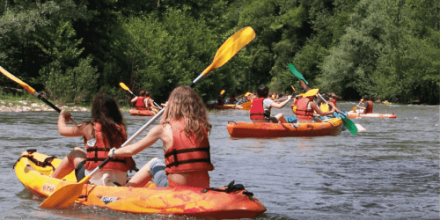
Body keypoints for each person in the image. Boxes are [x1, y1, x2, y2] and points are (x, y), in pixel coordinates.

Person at [108, 86, 214, 188]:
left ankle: (126, 190)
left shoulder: (163, 129)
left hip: (176, 187)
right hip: (203, 186)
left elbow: (132, 150)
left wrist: (114, 152)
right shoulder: (202, 126)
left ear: (172, 105)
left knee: (154, 163)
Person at [51, 94, 136, 186]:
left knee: (76, 152)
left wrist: (62, 116)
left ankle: (51, 180)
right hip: (120, 180)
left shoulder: (89, 127)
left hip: (94, 180)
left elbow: (62, 130)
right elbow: (131, 164)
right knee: (82, 152)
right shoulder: (121, 129)